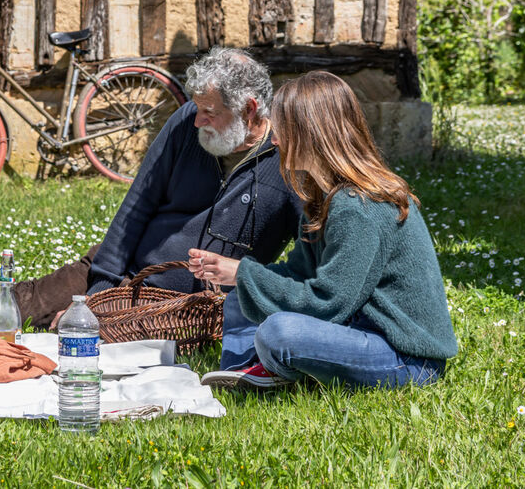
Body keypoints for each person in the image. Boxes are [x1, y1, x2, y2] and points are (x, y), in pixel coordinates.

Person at [189, 70, 457, 393]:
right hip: (361, 330)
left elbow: (328, 303)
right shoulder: (322, 197)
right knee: (240, 298)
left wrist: (243, 273)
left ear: (311, 133)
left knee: (279, 332)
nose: (274, 140)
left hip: (407, 358)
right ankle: (244, 373)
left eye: (283, 130)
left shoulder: (357, 206)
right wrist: (240, 277)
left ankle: (270, 365)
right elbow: (301, 273)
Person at [11, 46, 302, 331]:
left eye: (209, 112)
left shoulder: (291, 162)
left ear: (248, 109)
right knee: (7, 311)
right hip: (119, 268)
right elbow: (136, 207)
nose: (198, 120)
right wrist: (100, 290)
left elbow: (308, 267)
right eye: (197, 108)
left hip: (176, 307)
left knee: (75, 336)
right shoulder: (186, 121)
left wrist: (99, 312)